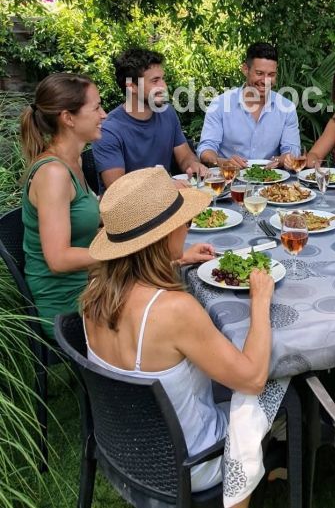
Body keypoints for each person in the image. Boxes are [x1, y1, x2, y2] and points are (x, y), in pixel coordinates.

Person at [81, 167, 273, 503]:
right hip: (189, 462)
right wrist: (260, 301)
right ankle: (251, 476)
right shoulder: (174, 310)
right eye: (182, 221)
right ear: (163, 235)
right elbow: (253, 378)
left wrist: (178, 259)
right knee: (275, 382)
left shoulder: (94, 293)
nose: (187, 226)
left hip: (131, 450)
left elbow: (136, 282)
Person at [20, 73, 105, 338]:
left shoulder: (73, 162)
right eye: (97, 107)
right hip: (66, 306)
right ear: (68, 118)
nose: (104, 114)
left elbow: (96, 213)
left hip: (89, 283)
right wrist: (123, 253)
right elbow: (58, 259)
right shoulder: (53, 174)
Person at [92, 48, 207, 190]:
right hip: (130, 210)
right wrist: (166, 187)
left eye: (162, 79)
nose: (163, 86)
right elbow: (118, 191)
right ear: (132, 87)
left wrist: (193, 165)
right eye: (155, 81)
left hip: (168, 203)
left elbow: (184, 157)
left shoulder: (167, 113)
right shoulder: (109, 130)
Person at [198, 42, 301, 169]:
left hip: (270, 181)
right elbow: (206, 149)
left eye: (271, 75)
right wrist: (221, 162)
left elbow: (292, 150)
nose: (265, 81)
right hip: (229, 179)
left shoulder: (287, 108)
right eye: (259, 73)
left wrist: (279, 160)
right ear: (245, 69)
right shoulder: (220, 104)